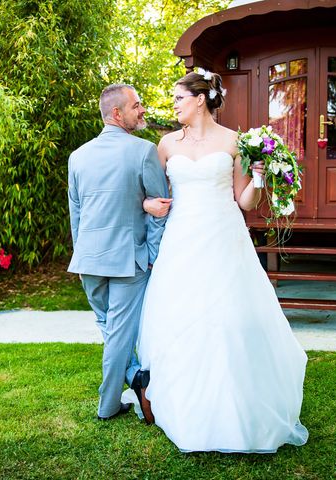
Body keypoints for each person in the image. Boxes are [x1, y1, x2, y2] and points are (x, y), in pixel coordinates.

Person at [137, 70, 309, 452]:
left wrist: (260, 178)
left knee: (230, 315)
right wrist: (148, 205)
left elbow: (243, 201)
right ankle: (185, 405)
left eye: (178, 98)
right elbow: (151, 194)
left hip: (224, 236)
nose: (174, 105)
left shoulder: (235, 142)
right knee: (182, 315)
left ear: (200, 99)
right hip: (182, 239)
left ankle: (239, 403)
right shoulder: (165, 145)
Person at [67, 84, 170, 421]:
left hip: (90, 259)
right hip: (128, 260)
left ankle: (130, 382)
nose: (142, 110)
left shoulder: (77, 156)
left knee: (112, 331)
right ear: (116, 114)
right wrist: (152, 252)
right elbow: (162, 208)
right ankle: (116, 397)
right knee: (117, 334)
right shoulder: (144, 151)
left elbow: (76, 214)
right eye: (136, 105)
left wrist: (79, 255)